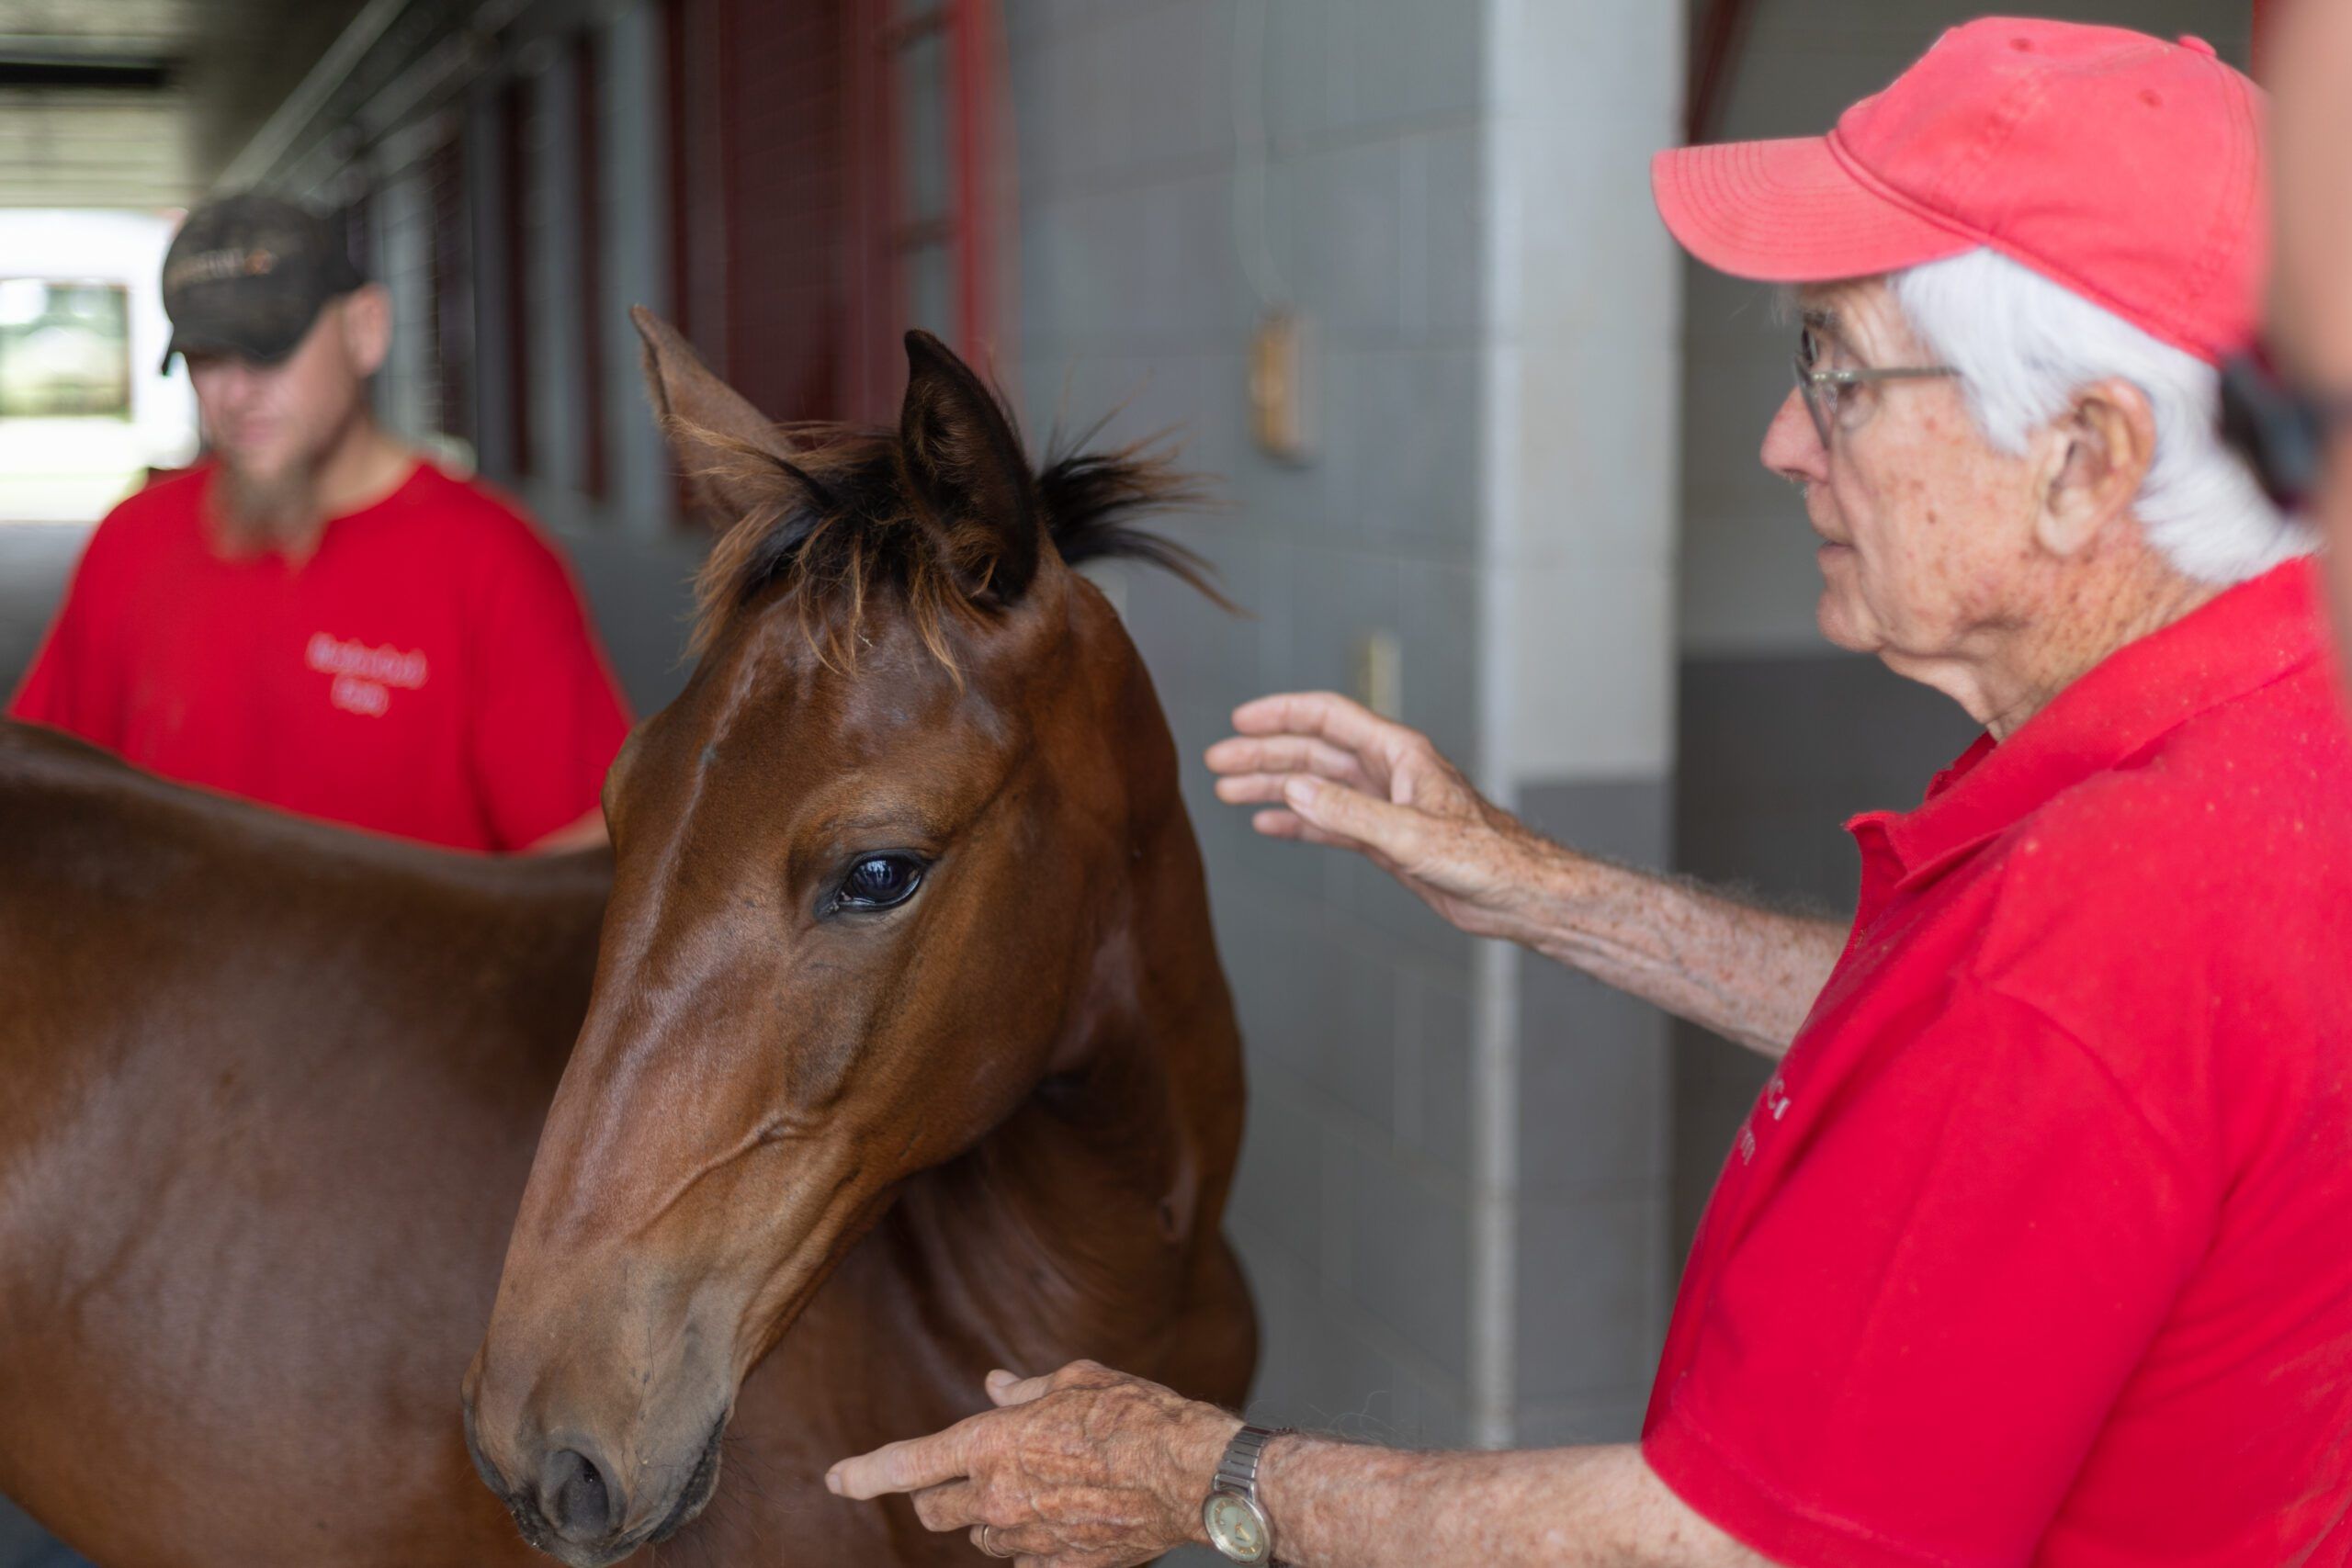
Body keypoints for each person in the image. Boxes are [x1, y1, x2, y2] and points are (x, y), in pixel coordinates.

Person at [827, 21, 2352, 1567]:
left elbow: (1726, 1543)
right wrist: (1539, 886)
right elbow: (1967, 1043)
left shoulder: (2103, 923)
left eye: (1838, 370)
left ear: (2084, 459)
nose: (1780, 441)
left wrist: (1207, 1475)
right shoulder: (2265, 738)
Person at [6, 192, 629, 853]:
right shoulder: (133, 541)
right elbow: (37, 794)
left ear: (366, 329)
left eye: (268, 352)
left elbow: (583, 858)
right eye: (207, 358)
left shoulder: (490, 561)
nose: (236, 393)